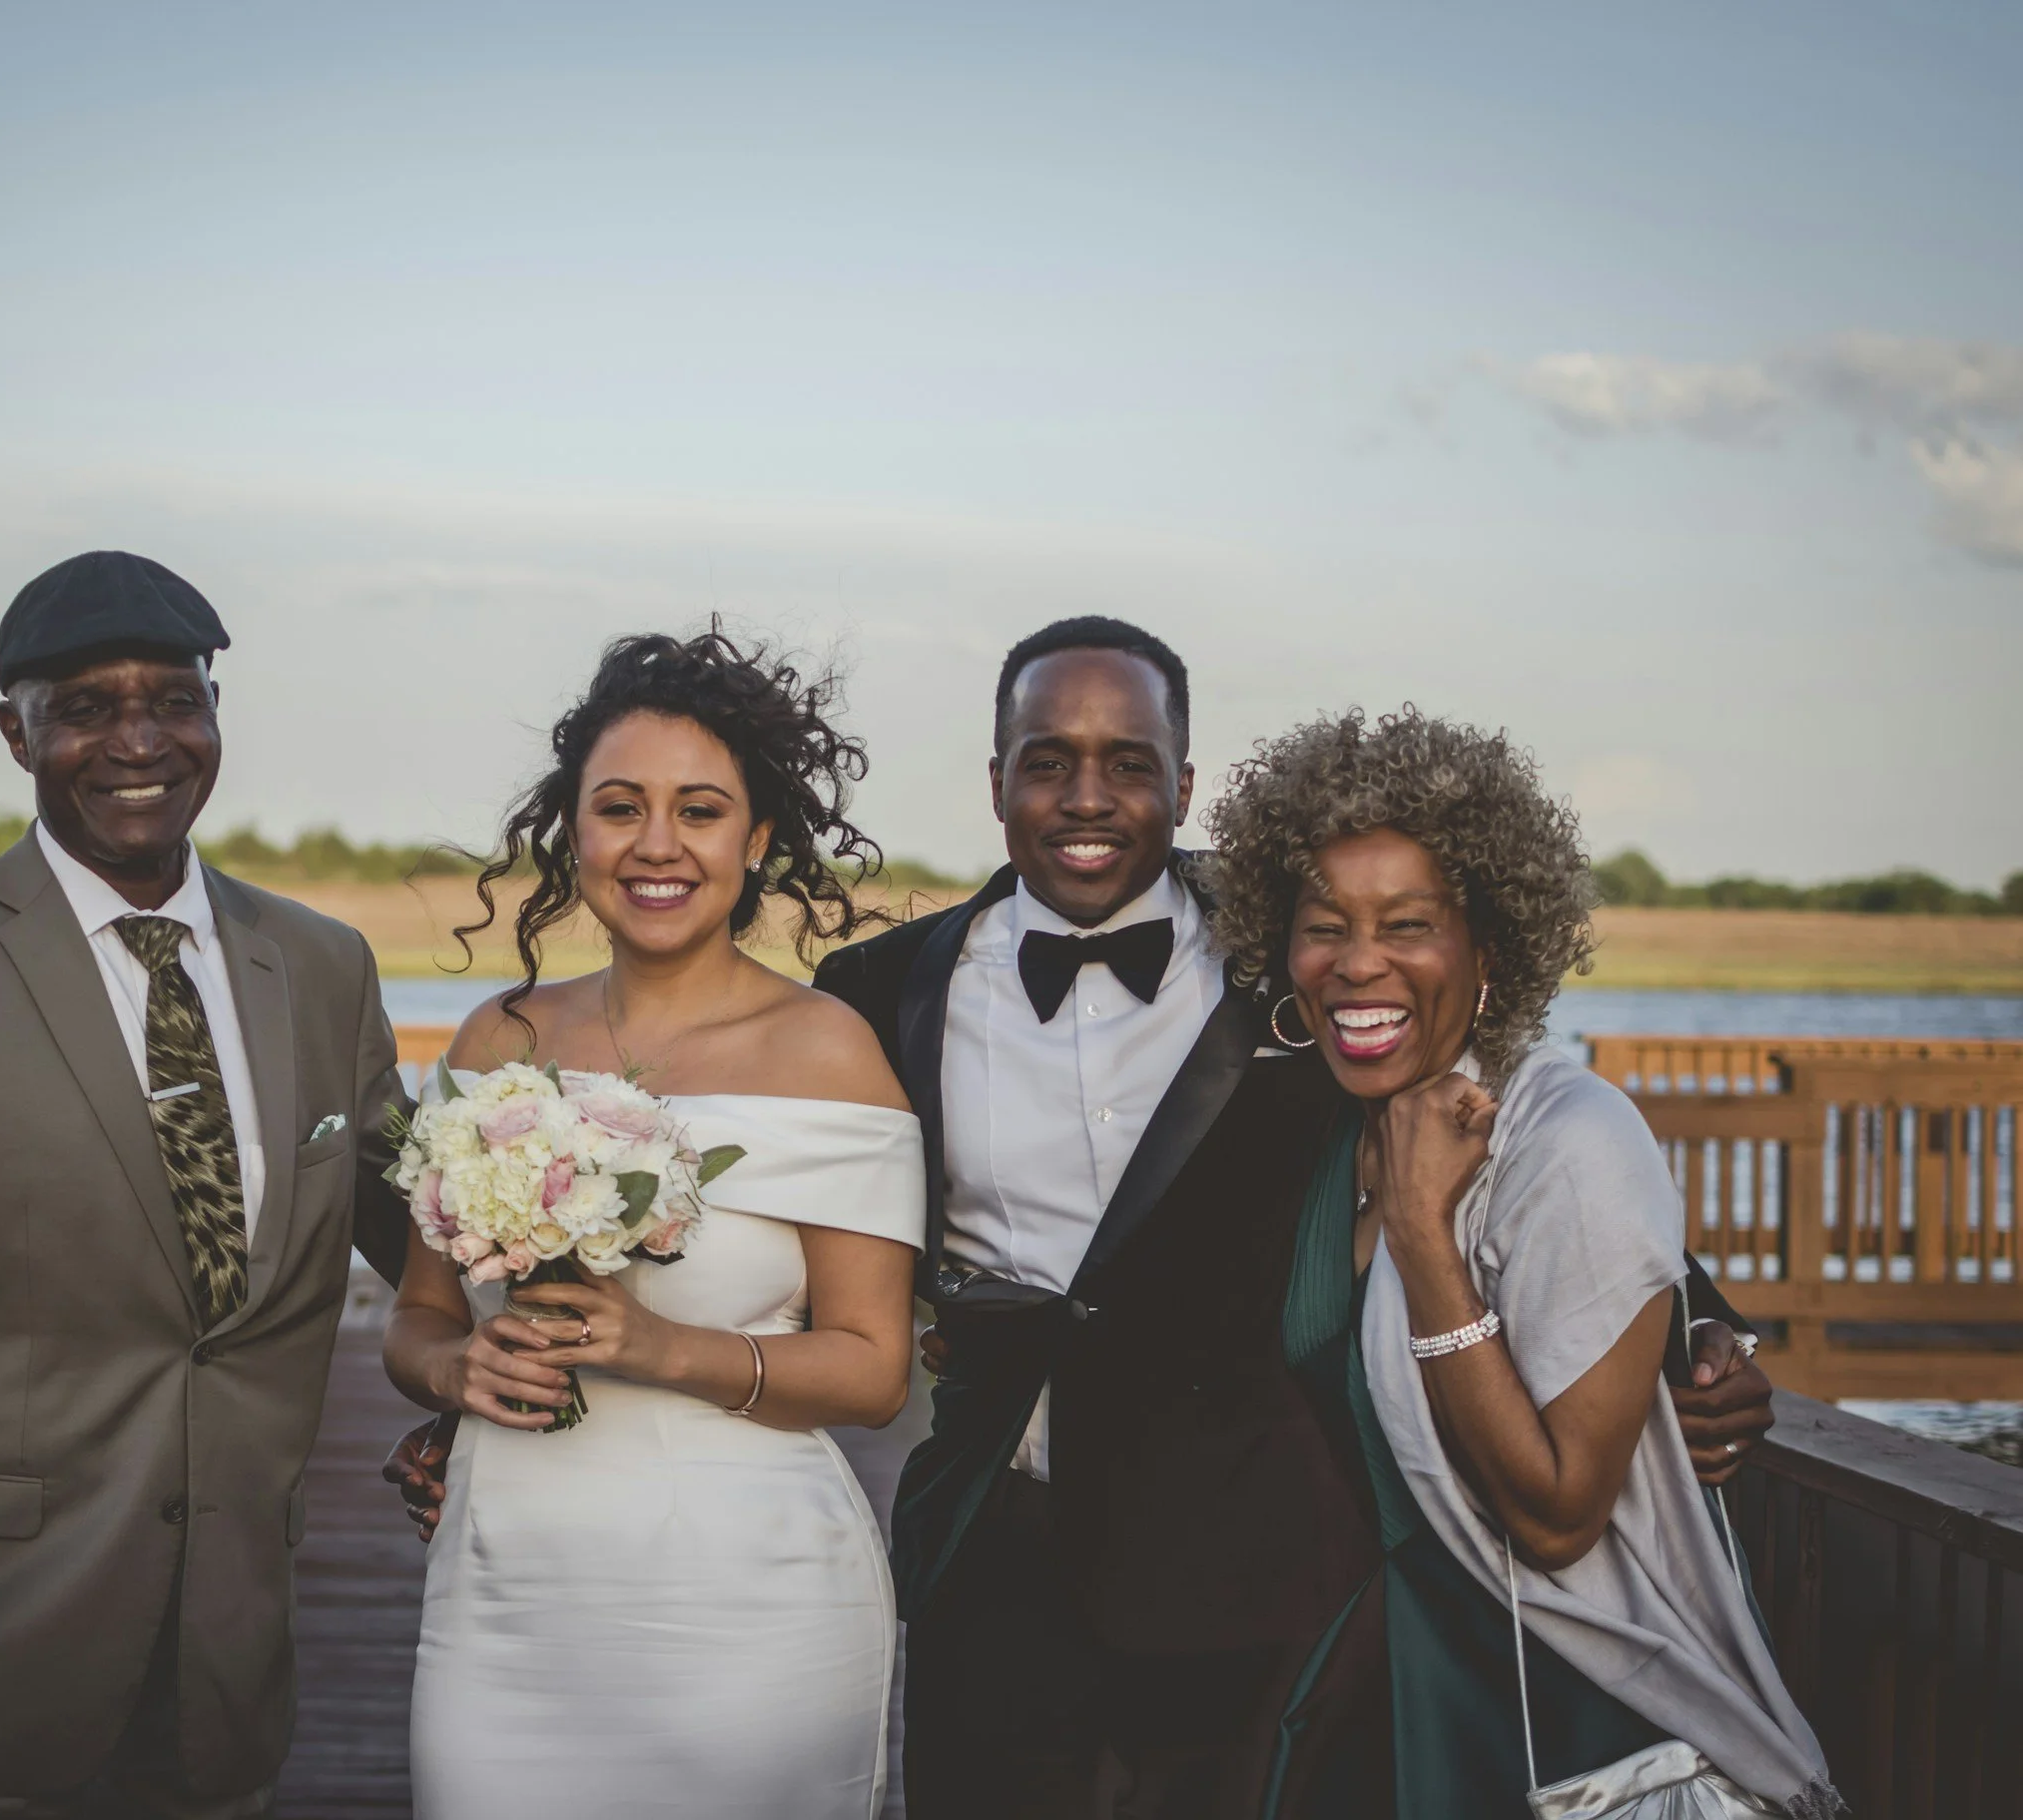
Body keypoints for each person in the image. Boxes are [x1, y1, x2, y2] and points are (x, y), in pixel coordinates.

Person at [388, 617, 1777, 1817]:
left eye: (1127, 761)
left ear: (1187, 777)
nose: (1086, 793)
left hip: (1257, 1554)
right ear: (998, 781)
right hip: (993, 1534)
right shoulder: (881, 993)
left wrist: (1689, 1324)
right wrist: (470, 1397)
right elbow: (704, 1149)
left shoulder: (1298, 949)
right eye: (1047, 759)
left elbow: (1498, 1105)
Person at [0, 551, 414, 1818]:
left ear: (216, 716)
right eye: (86, 706)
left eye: (174, 699)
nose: (139, 740)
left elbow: (422, 1235)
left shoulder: (323, 963)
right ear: (16, 733)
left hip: (232, 1665)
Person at [1200, 708, 1837, 1818]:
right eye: (1323, 924)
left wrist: (1422, 1234)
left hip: (1578, 1724)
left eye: (1406, 922)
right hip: (1383, 1692)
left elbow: (1556, 1518)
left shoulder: (1569, 1135)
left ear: (1487, 946)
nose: (1357, 962)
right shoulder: (1324, 1128)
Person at [383, 631, 925, 1820]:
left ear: (759, 838)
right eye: (619, 807)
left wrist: (655, 1347)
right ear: (574, 833)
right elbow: (417, 1319)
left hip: (751, 1609)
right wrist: (454, 1364)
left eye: (701, 808)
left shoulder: (827, 1052)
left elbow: (874, 1367)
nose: (658, 844)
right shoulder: (494, 1043)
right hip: (504, 1593)